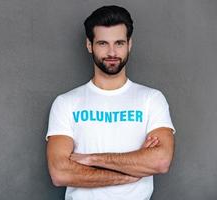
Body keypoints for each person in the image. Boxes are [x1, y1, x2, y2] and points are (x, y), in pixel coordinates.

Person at [46, 5, 175, 200]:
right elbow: (59, 172)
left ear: (129, 44)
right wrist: (128, 173)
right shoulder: (66, 103)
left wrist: (91, 159)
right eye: (103, 43)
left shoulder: (151, 99)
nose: (112, 52)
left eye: (119, 43)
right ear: (90, 45)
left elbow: (160, 161)